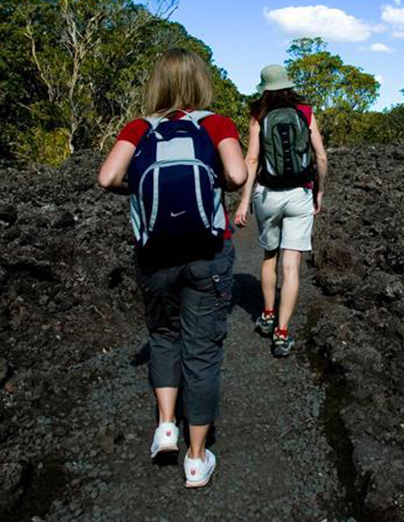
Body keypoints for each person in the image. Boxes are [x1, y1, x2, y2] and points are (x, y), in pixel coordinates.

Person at [96, 48, 247, 489]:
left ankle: (166, 426)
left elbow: (107, 178)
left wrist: (140, 187)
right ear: (200, 81)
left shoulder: (140, 126)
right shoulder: (215, 123)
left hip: (155, 252)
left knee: (163, 336)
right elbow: (237, 177)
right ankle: (197, 459)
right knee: (201, 351)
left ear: (156, 83)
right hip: (207, 252)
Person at [234, 64, 329, 358]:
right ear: (288, 85)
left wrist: (243, 201)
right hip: (300, 195)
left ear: (265, 87)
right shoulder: (306, 112)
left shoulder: (258, 115)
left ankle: (266, 314)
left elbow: (251, 160)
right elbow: (321, 156)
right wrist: (319, 191)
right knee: (291, 267)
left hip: (268, 194)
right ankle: (282, 332)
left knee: (269, 257)